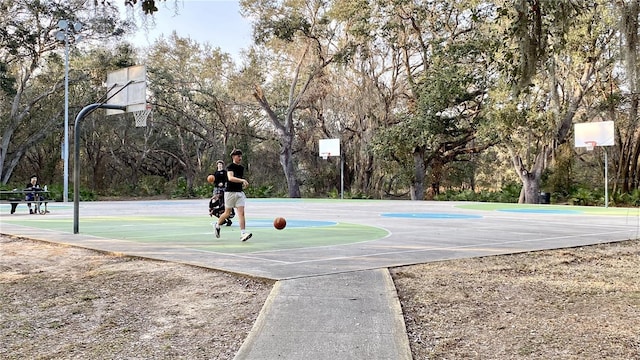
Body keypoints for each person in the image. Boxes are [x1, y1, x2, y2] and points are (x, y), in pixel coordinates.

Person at [214, 149, 252, 242]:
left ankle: (243, 233)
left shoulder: (242, 168)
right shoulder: (230, 166)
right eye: (238, 156)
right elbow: (230, 178)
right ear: (233, 157)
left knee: (241, 213)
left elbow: (238, 179)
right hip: (230, 193)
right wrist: (242, 180)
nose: (240, 158)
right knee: (227, 213)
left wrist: (242, 184)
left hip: (239, 193)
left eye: (241, 156)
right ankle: (217, 225)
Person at [209, 160, 235, 225]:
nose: (219, 165)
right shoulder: (215, 173)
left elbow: (227, 180)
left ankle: (226, 219)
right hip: (217, 188)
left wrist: (223, 183)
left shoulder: (225, 172)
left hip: (223, 188)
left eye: (221, 164)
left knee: (223, 203)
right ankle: (222, 219)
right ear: (217, 165)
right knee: (216, 202)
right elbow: (214, 181)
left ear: (222, 165)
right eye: (218, 164)